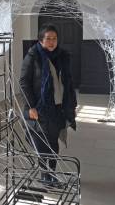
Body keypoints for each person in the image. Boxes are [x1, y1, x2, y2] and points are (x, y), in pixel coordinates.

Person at [19, 23, 77, 185]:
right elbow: (23, 82)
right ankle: (46, 176)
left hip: (58, 108)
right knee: (43, 144)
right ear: (40, 40)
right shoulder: (33, 55)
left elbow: (68, 83)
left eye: (54, 38)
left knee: (53, 142)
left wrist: (72, 104)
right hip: (40, 107)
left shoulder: (62, 56)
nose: (52, 42)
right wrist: (31, 106)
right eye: (48, 38)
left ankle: (50, 174)